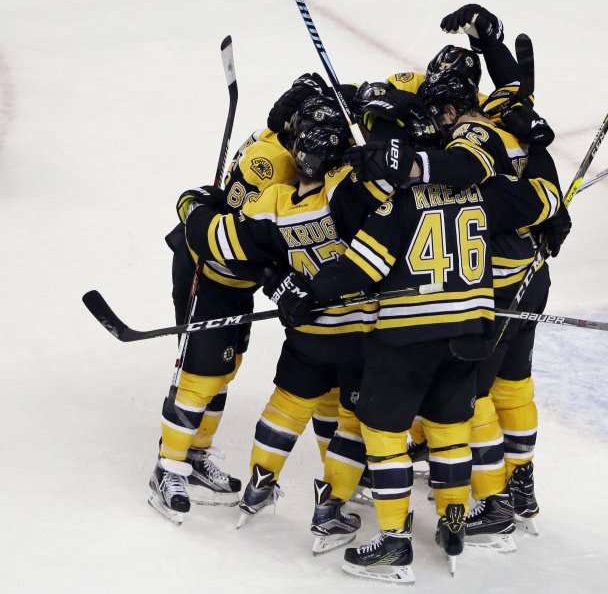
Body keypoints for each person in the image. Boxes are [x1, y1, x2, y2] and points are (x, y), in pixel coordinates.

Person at [279, 119, 562, 583]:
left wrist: (306, 293)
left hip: (409, 340)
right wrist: (547, 188)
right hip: (469, 337)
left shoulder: (399, 205)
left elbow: (359, 271)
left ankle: (393, 544)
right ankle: (455, 523)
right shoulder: (485, 196)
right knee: (450, 428)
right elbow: (547, 196)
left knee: (384, 433)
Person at [179, 97, 392, 553]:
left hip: (306, 339)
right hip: (357, 334)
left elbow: (226, 243)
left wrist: (195, 211)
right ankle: (331, 507)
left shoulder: (273, 202)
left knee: (285, 408)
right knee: (351, 420)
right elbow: (387, 197)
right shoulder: (343, 189)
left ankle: (259, 486)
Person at [148, 74, 323, 523]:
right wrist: (274, 274)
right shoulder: (273, 162)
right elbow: (236, 234)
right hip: (211, 271)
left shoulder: (278, 141)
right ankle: (167, 467)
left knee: (224, 368)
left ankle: (196, 452)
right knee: (198, 373)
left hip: (234, 279)